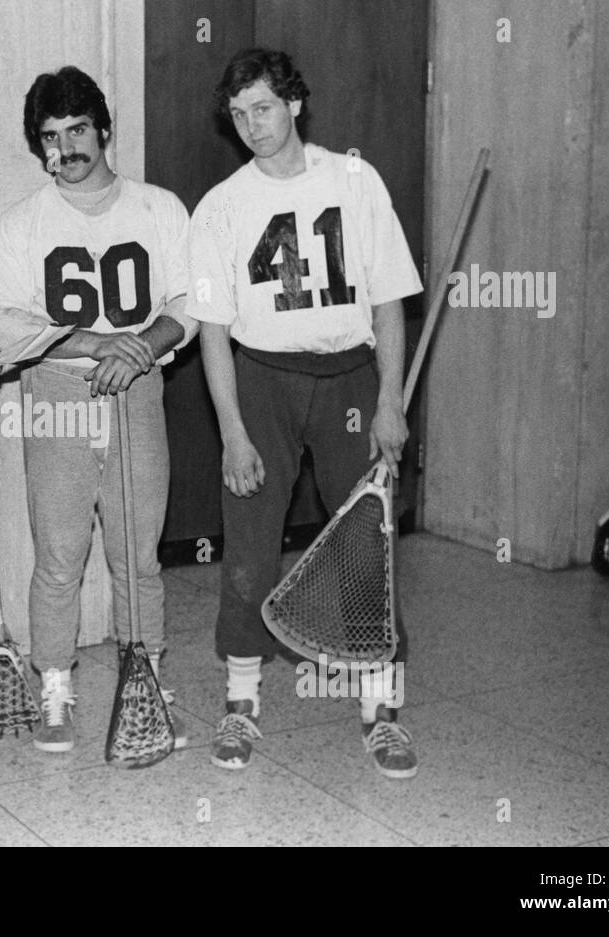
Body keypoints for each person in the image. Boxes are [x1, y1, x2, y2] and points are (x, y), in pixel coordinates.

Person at [188, 48, 422, 777]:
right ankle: (241, 701)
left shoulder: (354, 179)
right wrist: (231, 432)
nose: (252, 125)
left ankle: (381, 710)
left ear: (294, 102)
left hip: (350, 377)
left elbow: (387, 298)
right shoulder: (222, 204)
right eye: (238, 114)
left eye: (263, 107)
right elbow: (213, 332)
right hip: (262, 381)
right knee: (252, 542)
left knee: (366, 540)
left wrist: (388, 401)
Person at [0, 66, 196, 753]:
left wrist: (141, 348)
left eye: (77, 130)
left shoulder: (160, 208)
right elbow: (5, 323)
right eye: (50, 136)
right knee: (60, 549)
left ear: (104, 129)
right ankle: (55, 685)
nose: (66, 148)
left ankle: (148, 677)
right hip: (58, 392)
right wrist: (100, 340)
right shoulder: (22, 223)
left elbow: (190, 302)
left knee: (137, 550)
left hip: (137, 390)